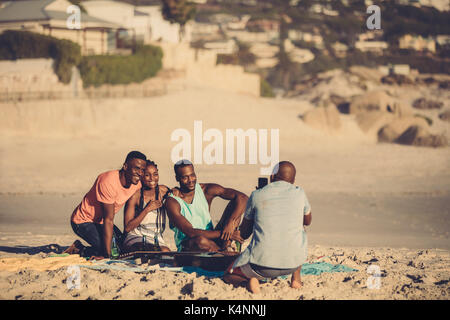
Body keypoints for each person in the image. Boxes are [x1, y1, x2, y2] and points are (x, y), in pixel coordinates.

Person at [223, 161, 312, 294]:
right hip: (292, 264)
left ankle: (247, 282)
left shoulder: (257, 195)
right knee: (300, 229)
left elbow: (245, 233)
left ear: (272, 177)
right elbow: (307, 221)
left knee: (228, 274)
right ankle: (296, 278)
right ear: (293, 180)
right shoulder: (300, 193)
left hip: (261, 267)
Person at [65, 151, 147, 259]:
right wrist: (106, 255)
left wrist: (171, 191)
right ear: (125, 166)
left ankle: (87, 249)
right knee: (113, 252)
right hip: (83, 221)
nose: (140, 173)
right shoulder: (108, 181)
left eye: (142, 170)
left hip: (101, 222)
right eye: (136, 168)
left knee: (124, 248)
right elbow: (108, 219)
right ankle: (78, 249)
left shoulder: (137, 183)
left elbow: (153, 187)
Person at [165, 160, 248, 252]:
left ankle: (226, 247)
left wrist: (230, 223)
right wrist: (226, 234)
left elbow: (243, 198)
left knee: (235, 205)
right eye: (185, 177)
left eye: (192, 175)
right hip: (190, 245)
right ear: (177, 178)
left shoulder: (205, 190)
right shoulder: (172, 201)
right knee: (200, 241)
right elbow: (191, 232)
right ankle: (224, 252)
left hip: (213, 239)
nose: (190, 180)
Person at [122, 160, 171, 252]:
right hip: (137, 237)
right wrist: (147, 209)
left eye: (155, 174)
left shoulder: (163, 191)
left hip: (157, 238)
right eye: (147, 175)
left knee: (165, 251)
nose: (152, 178)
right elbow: (128, 228)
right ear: (141, 176)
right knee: (144, 249)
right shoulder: (135, 197)